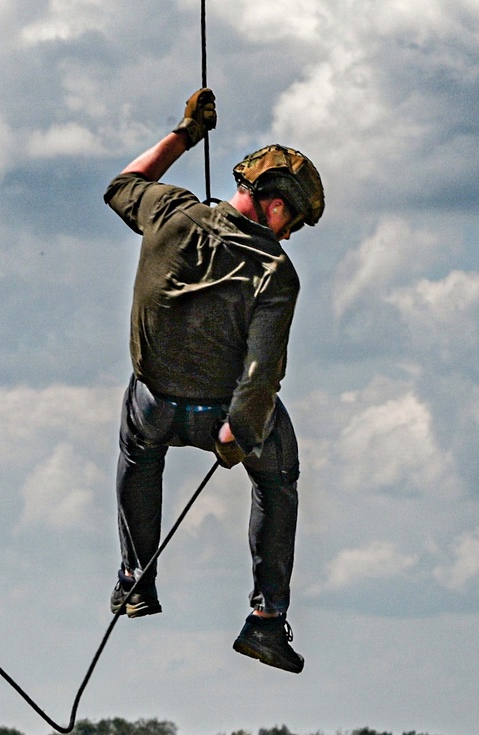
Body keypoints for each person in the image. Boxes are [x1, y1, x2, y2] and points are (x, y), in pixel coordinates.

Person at [105, 89, 324, 674]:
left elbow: (122, 183)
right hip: (221, 414)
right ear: (277, 206)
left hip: (154, 404)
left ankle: (134, 578)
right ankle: (266, 621)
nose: (289, 233)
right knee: (278, 481)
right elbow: (262, 372)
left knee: (138, 447)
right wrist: (237, 434)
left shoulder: (169, 213)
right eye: (294, 221)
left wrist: (185, 133)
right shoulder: (276, 273)